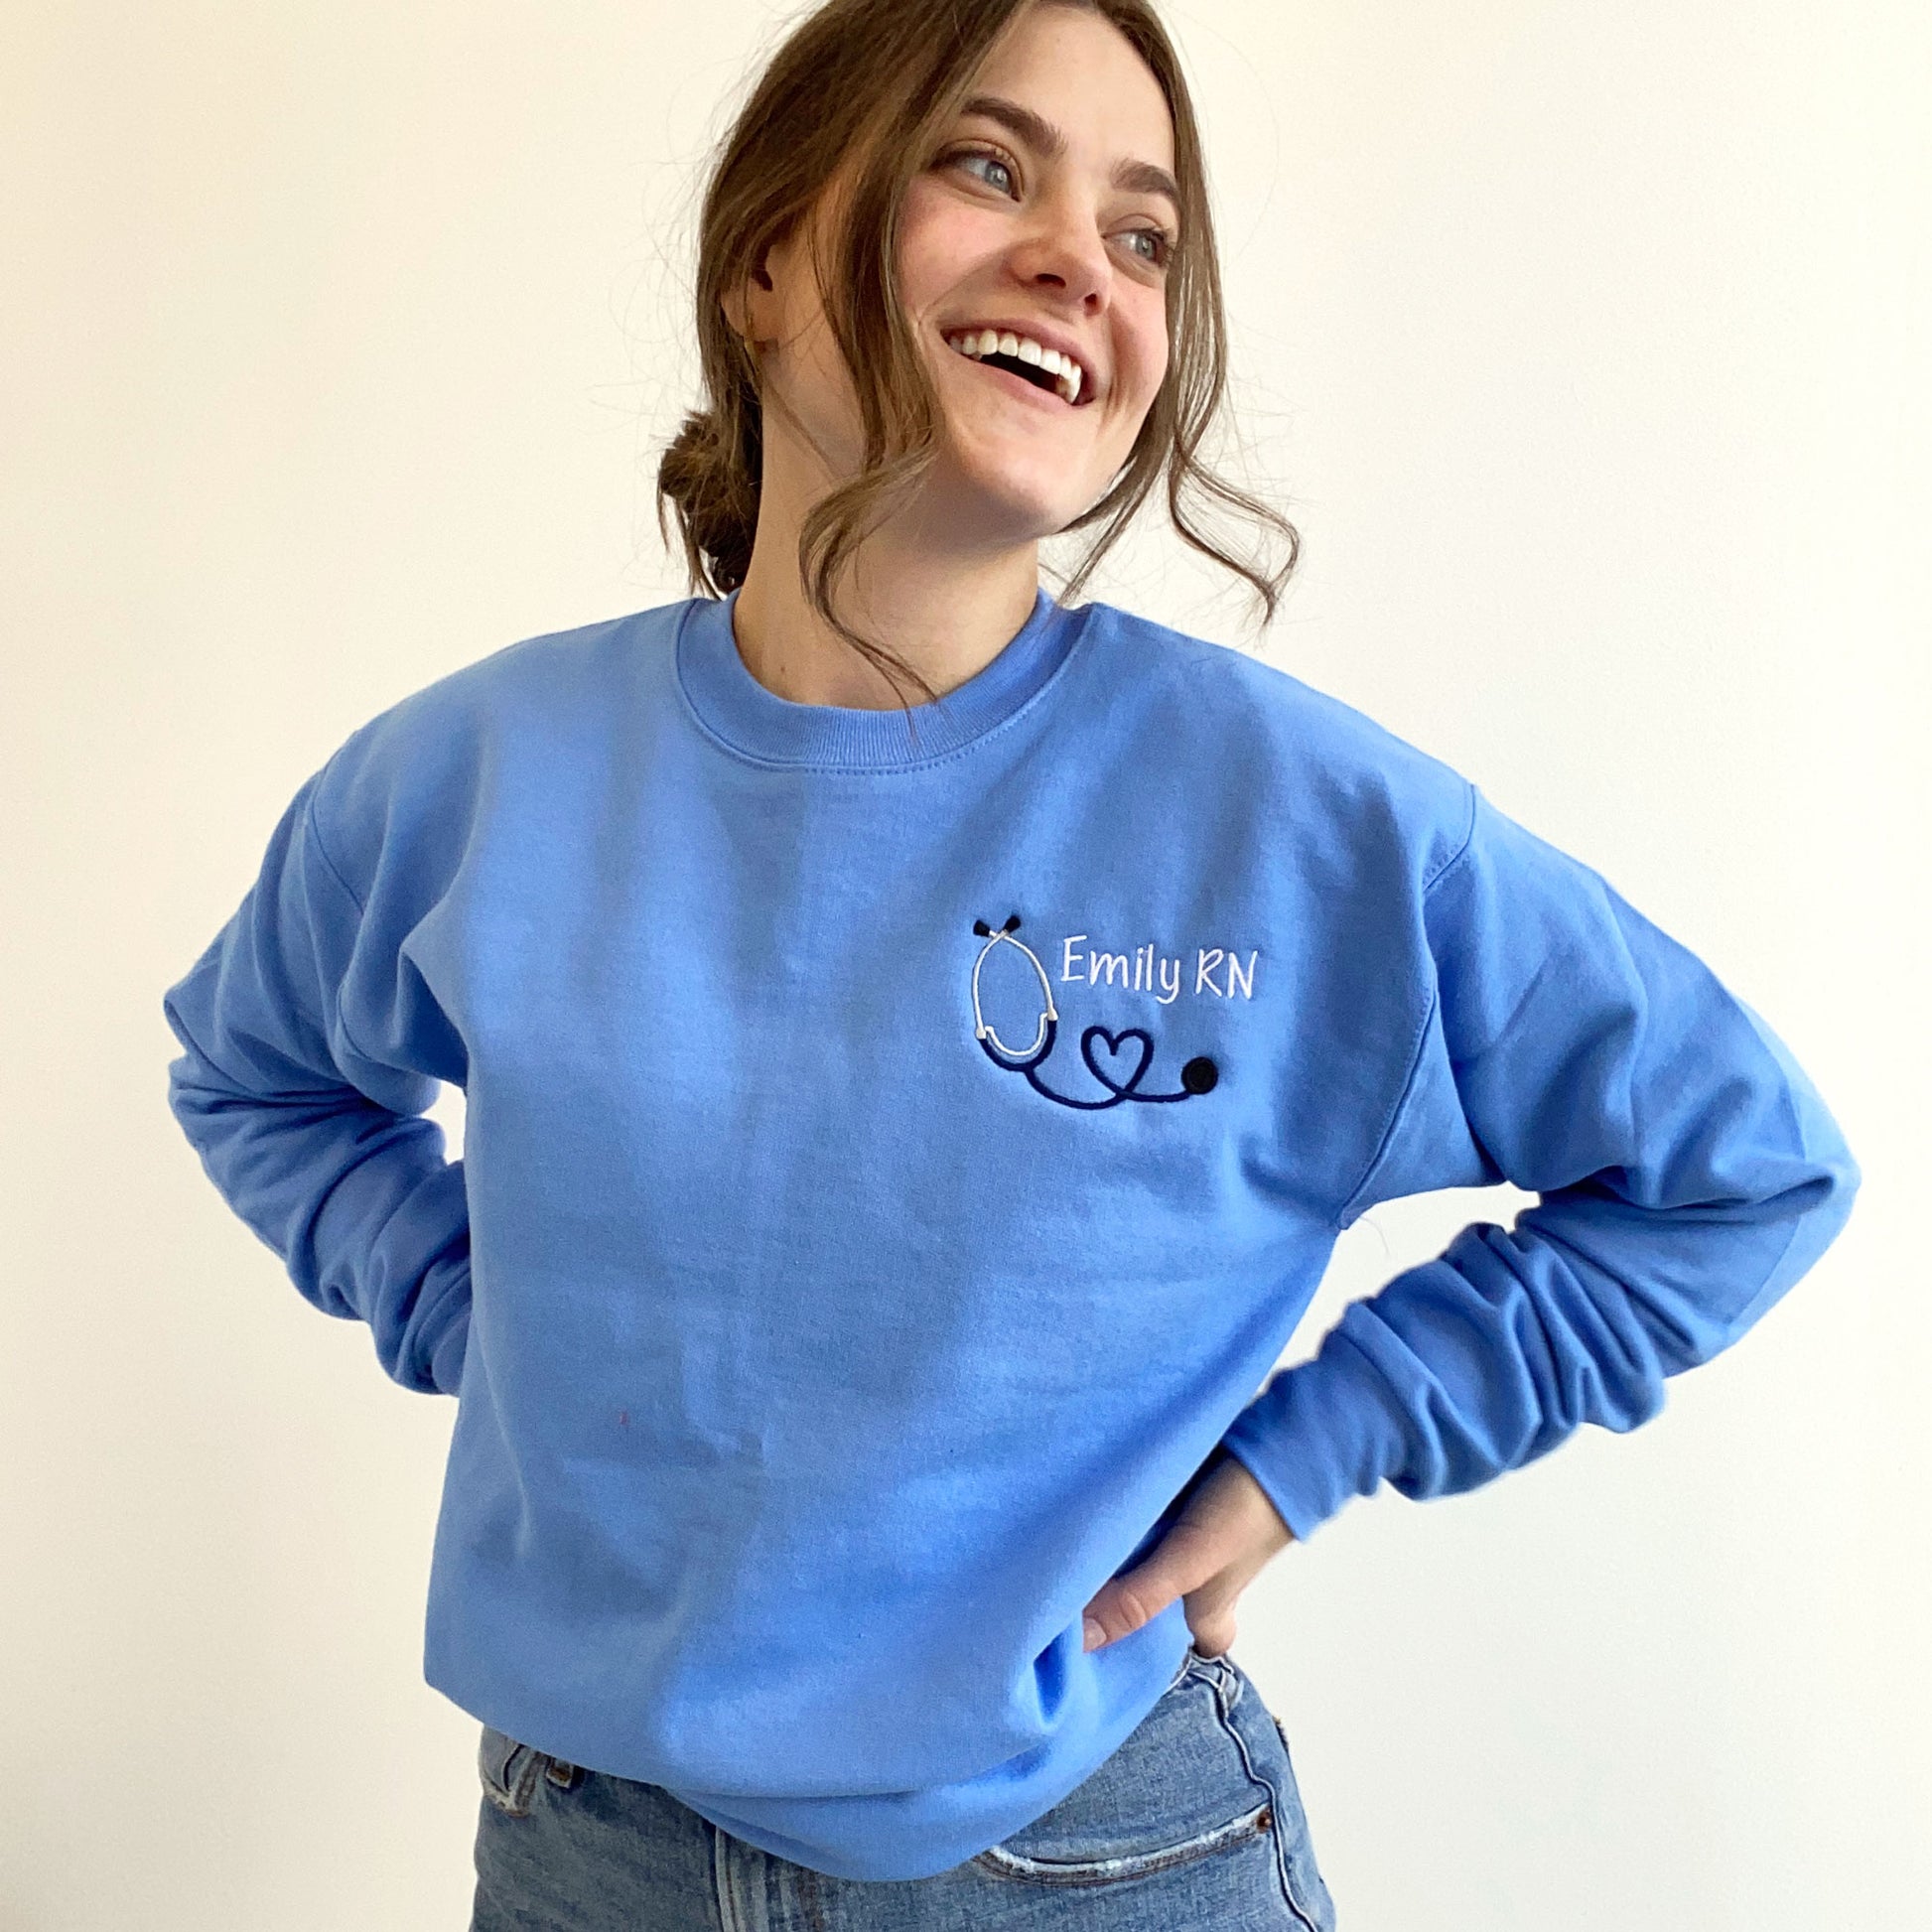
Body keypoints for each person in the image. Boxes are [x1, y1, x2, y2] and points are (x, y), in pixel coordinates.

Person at [158, 0, 1860, 1925]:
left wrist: (1318, 1447)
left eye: (1143, 234)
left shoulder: (1301, 825)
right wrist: (480, 1317)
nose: (1080, 257)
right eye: (985, 166)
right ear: (769, 263)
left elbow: (1740, 1166)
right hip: (588, 1853)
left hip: (1094, 1857)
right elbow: (253, 1072)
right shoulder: (472, 778)